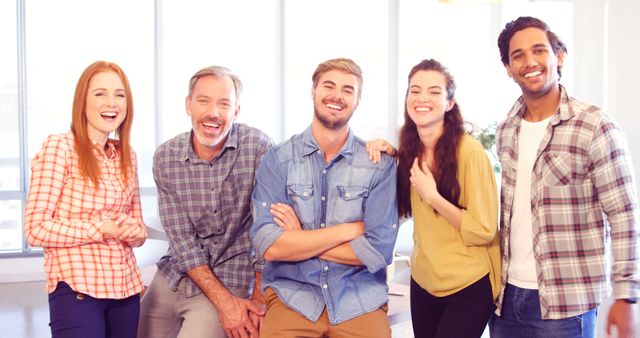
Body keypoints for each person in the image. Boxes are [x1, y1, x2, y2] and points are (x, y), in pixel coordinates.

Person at [489, 16, 640, 338]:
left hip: (565, 306)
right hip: (505, 298)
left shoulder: (595, 125)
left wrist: (627, 295)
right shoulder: (506, 131)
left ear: (559, 57)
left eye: (539, 50)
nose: (530, 62)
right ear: (508, 68)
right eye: (518, 56)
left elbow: (624, 215)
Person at [250, 58, 399, 337]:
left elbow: (378, 252)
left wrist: (301, 237)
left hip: (360, 300)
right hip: (292, 297)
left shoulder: (379, 164)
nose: (337, 95)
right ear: (313, 91)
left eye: (348, 89)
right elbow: (269, 246)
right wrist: (348, 230)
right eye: (329, 85)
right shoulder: (278, 160)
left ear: (358, 100)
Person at [367, 59, 501, 338]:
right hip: (424, 282)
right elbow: (401, 210)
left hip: (468, 284)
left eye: (434, 91)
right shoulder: (410, 148)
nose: (422, 98)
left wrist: (433, 197)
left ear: (450, 103)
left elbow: (484, 230)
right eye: (415, 91)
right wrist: (390, 156)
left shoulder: (470, 153)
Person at [138, 65, 272, 338]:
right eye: (203, 101)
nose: (213, 112)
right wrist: (226, 305)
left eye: (224, 103)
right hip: (175, 274)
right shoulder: (166, 157)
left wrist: (258, 303)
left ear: (236, 111)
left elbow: (266, 231)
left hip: (232, 273)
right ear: (188, 105)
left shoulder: (258, 148)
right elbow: (182, 241)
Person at [24, 60, 147, 338]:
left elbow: (138, 232)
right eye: (100, 93)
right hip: (77, 287)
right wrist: (101, 228)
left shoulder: (127, 155)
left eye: (120, 94)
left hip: (125, 288)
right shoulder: (60, 147)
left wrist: (132, 230)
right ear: (83, 101)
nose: (111, 103)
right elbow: (35, 228)